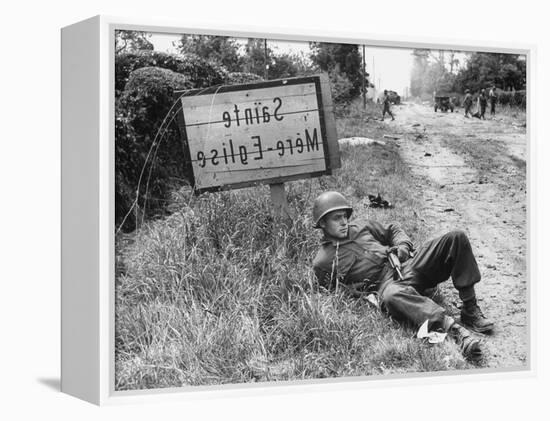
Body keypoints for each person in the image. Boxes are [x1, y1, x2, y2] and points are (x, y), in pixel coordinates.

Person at [311, 191, 494, 360]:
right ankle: (454, 330)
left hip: (406, 265)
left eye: (345, 216)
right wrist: (361, 294)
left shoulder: (360, 226)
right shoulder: (323, 262)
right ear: (322, 223)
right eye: (337, 218)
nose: (344, 222)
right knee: (392, 296)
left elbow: (392, 229)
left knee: (456, 237)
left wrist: (403, 246)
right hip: (387, 286)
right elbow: (334, 294)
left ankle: (470, 309)